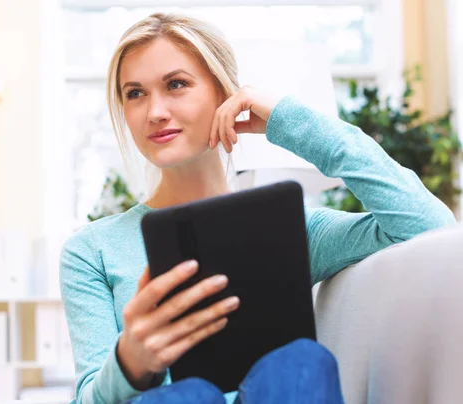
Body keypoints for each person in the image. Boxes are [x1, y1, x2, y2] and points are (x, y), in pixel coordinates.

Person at [59, 12, 456, 404]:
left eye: (176, 84)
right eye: (135, 93)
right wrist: (130, 361)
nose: (154, 111)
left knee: (302, 362)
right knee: (188, 395)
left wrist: (287, 120)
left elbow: (428, 227)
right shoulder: (91, 251)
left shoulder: (289, 230)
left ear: (224, 94)